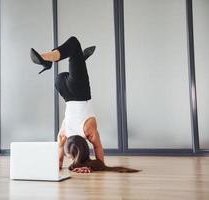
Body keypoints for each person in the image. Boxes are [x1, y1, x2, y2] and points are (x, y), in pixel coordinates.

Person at [30, 36, 138, 173]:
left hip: (78, 91)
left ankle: (49, 61)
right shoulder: (64, 134)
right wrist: (63, 163)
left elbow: (98, 149)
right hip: (63, 87)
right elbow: (59, 156)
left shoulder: (89, 132)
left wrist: (97, 165)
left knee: (75, 46)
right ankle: (75, 60)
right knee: (73, 51)